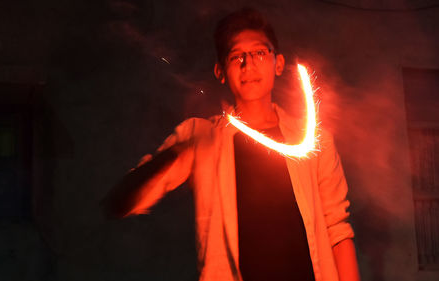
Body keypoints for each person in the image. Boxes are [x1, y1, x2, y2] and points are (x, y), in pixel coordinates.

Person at [103, 7, 360, 281]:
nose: (248, 64)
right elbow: (122, 204)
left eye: (260, 52)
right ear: (221, 71)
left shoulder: (314, 140)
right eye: (236, 56)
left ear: (279, 63)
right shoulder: (200, 136)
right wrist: (175, 154)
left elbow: (337, 230)